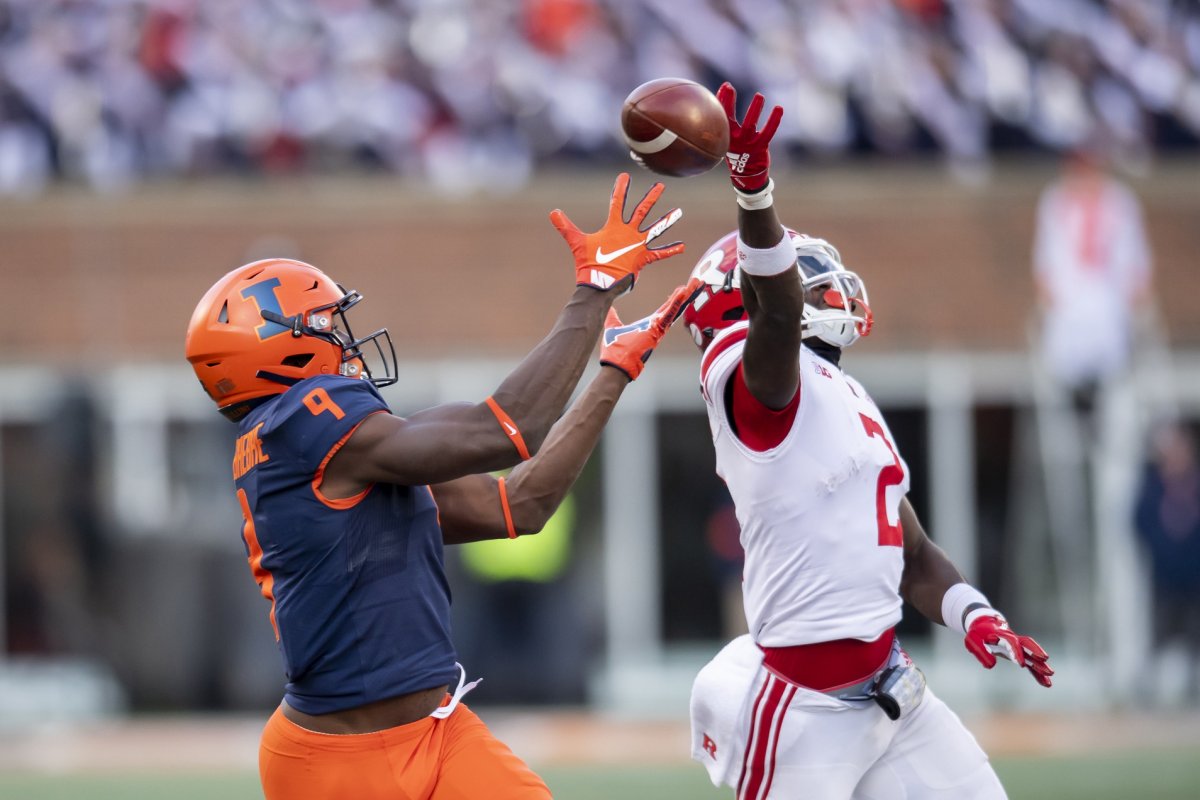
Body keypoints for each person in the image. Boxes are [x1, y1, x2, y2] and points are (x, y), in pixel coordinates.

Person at [184, 172, 696, 800]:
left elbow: (520, 504)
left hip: (439, 731)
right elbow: (508, 429)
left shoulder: (341, 451)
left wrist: (613, 369)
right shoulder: (304, 418)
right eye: (324, 325)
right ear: (275, 350)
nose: (345, 341)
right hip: (335, 761)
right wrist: (593, 292)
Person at [681, 84, 1054, 799]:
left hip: (893, 688)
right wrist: (755, 195)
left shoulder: (841, 393)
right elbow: (781, 310)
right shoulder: (749, 385)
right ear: (746, 300)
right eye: (800, 273)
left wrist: (975, 616)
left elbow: (909, 551)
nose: (823, 286)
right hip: (801, 711)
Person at [1032, 147, 1153, 420]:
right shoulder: (1055, 200)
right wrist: (1046, 293)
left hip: (1109, 301)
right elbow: (1045, 254)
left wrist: (1137, 292)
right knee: (1061, 371)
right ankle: (1074, 420)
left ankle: (1107, 425)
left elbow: (1135, 252)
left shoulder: (1120, 201)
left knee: (1115, 376)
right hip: (1069, 303)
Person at [1134, 421, 1200, 705]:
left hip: (1194, 577)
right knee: (1159, 637)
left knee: (1194, 636)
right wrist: (1162, 552)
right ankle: (1150, 695)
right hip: (1164, 577)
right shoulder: (1154, 486)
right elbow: (1139, 521)